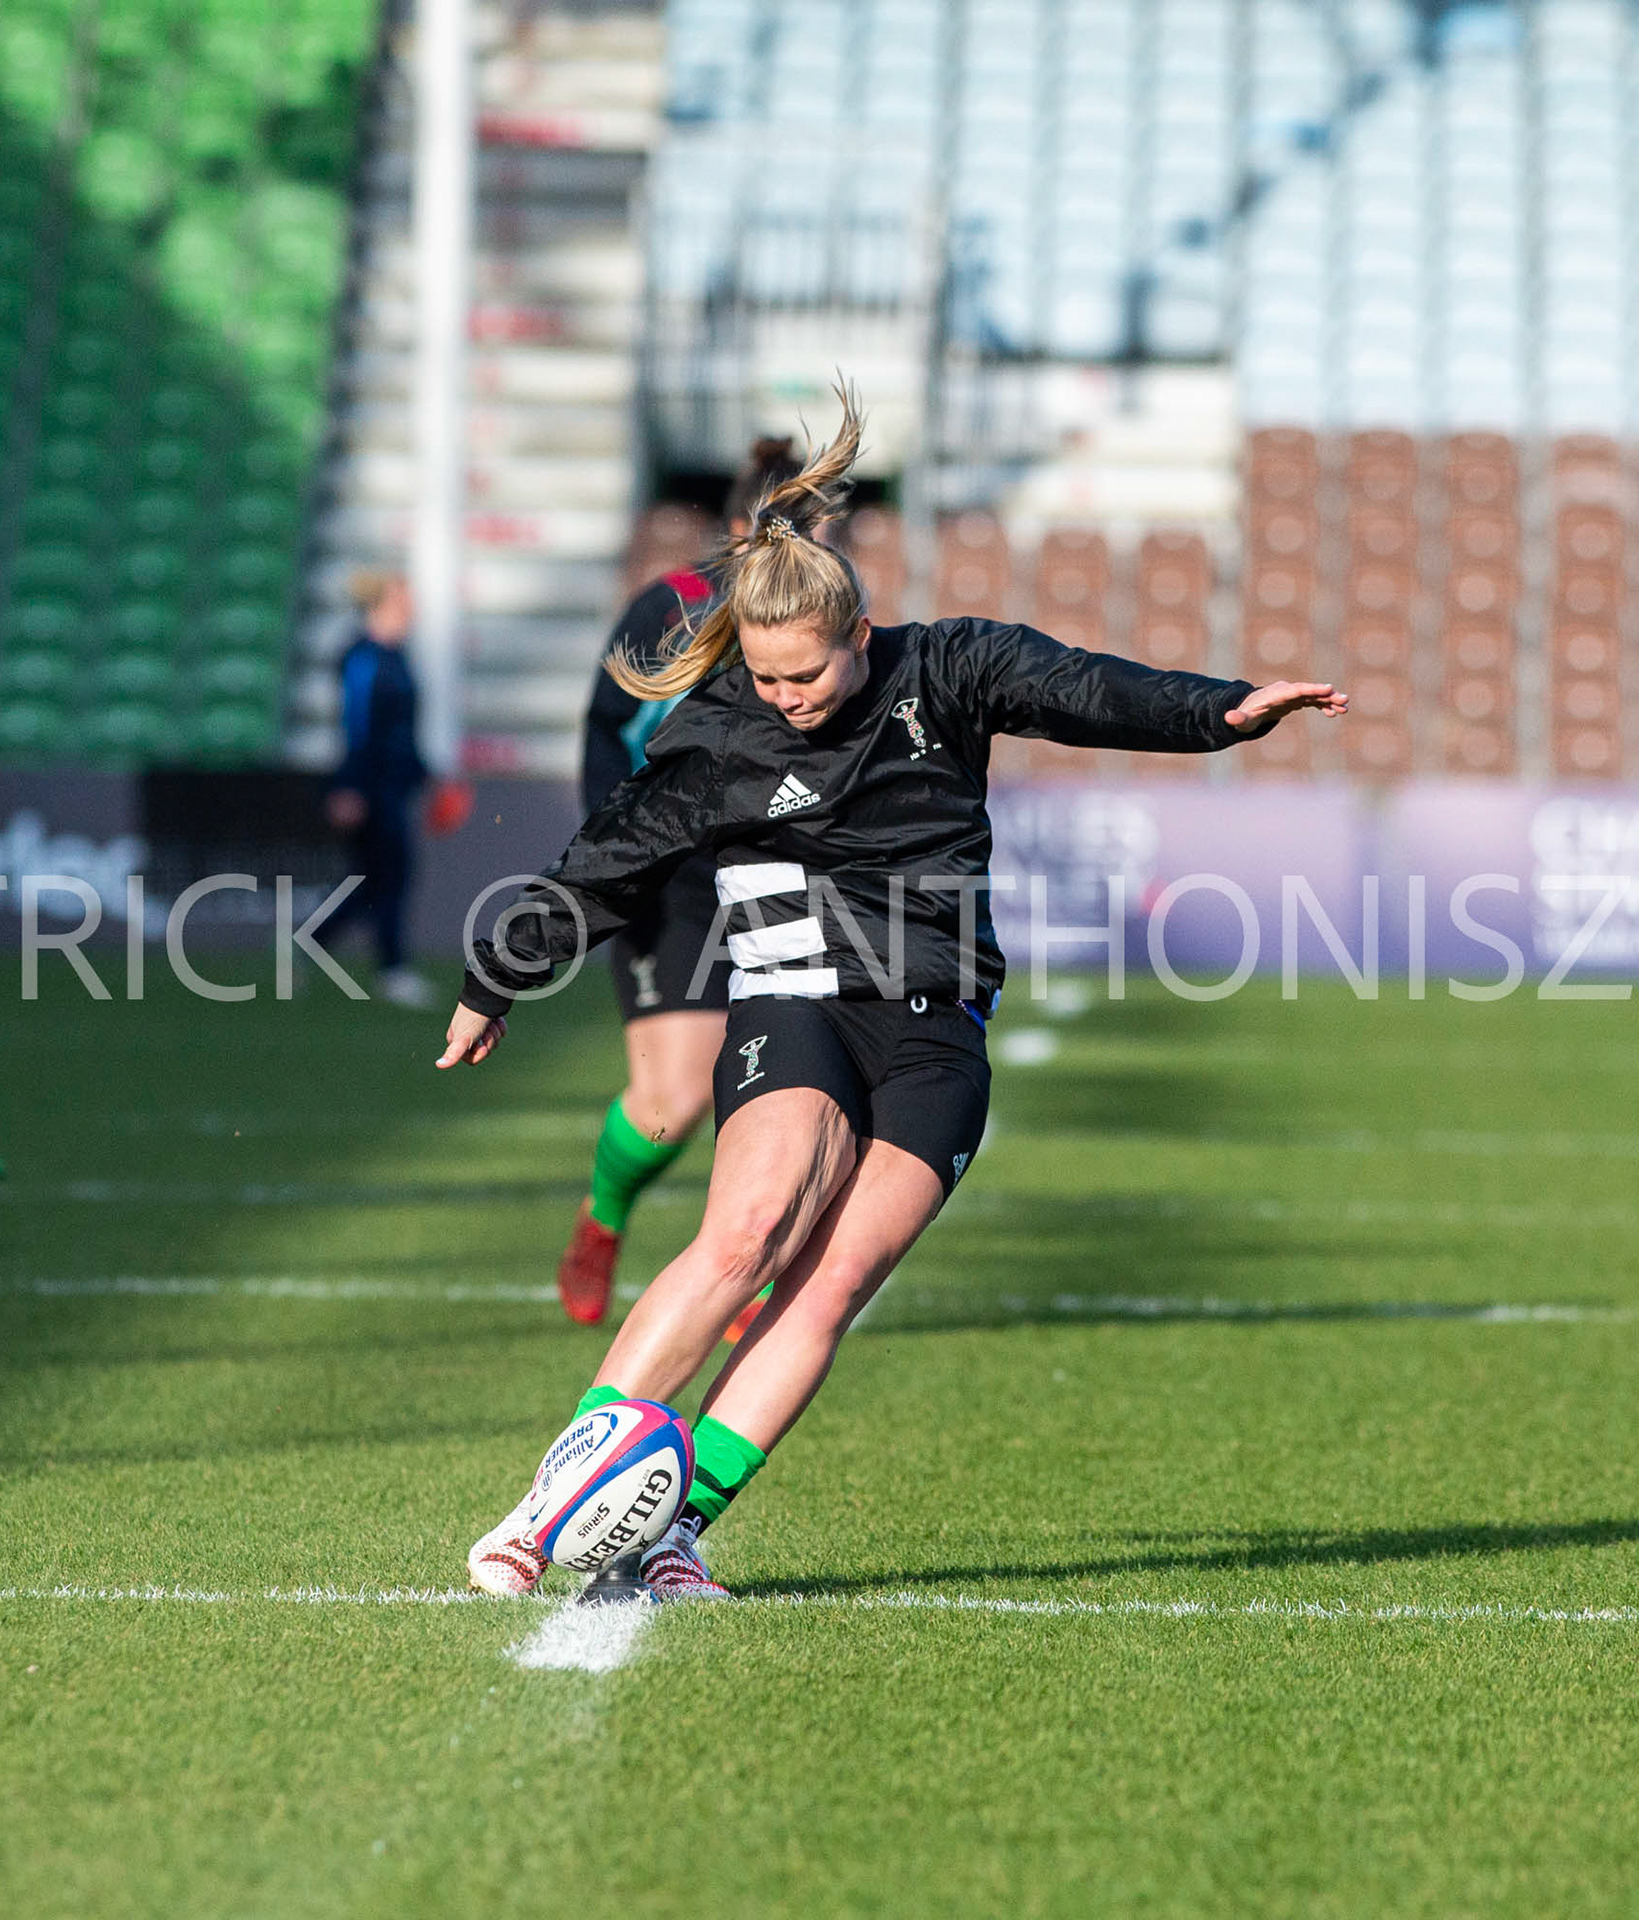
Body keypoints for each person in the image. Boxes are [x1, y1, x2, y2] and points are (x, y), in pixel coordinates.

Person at [438, 388, 1347, 1602]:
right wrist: (499, 978)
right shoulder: (719, 734)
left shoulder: (947, 670)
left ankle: (673, 1534)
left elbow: (1082, 686)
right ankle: (545, 1511)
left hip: (937, 1026)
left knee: (830, 1285)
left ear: (859, 633)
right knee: (749, 1231)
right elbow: (608, 860)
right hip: (797, 994)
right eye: (762, 677)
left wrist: (1217, 712)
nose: (785, 696)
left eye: (803, 672)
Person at [555, 437, 800, 1328]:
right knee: (671, 1106)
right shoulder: (674, 608)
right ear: (740, 529)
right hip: (677, 870)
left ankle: (749, 1258)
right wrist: (614, 852)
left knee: (795, 1080)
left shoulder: (828, 615)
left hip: (783, 872)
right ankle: (602, 1219)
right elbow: (603, 732)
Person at [320, 569, 434, 1010]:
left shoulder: (397, 655)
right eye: (404, 598)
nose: (413, 608)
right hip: (369, 784)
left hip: (396, 782)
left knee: (373, 879)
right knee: (391, 875)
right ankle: (393, 970)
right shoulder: (363, 657)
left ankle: (311, 942)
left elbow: (403, 730)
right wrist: (349, 786)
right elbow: (358, 725)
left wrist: (426, 773)